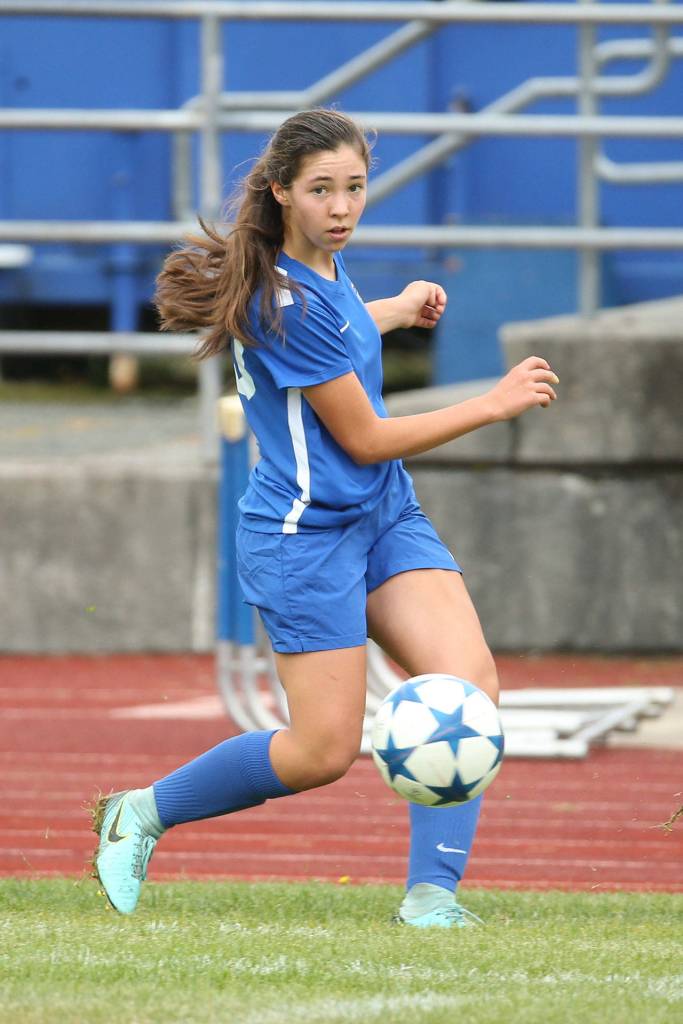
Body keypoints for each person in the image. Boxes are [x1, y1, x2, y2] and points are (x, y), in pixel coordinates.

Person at [92, 108, 558, 927]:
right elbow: (365, 436)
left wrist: (394, 309)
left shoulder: (320, 268)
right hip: (303, 540)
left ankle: (431, 898)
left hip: (383, 513)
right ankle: (142, 811)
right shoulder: (284, 301)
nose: (341, 208)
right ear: (280, 192)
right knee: (321, 752)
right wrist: (491, 404)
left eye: (354, 187)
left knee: (465, 687)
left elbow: (337, 328)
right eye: (320, 191)